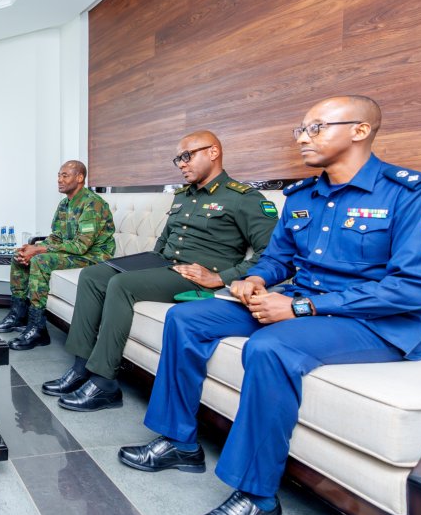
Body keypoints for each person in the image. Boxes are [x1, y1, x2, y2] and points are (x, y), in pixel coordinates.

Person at [118, 96, 421, 515]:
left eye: (316, 128)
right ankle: (179, 442)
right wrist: (255, 279)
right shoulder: (303, 196)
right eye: (301, 129)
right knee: (188, 318)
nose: (303, 137)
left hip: (376, 322)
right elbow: (278, 258)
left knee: (270, 348)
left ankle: (258, 499)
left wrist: (299, 309)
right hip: (300, 302)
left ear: (360, 131)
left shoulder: (412, 193)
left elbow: (411, 289)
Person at [44, 132, 277, 411]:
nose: (182, 164)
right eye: (178, 159)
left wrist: (220, 278)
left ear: (213, 152)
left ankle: (104, 383)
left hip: (196, 276)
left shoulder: (243, 198)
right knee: (93, 275)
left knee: (121, 284)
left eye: (187, 156)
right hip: (165, 264)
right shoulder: (183, 196)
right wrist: (146, 261)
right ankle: (81, 366)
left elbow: (271, 253)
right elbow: (165, 242)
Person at [0, 160, 115, 351]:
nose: (59, 180)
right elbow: (56, 237)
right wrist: (32, 248)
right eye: (59, 175)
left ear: (80, 178)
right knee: (19, 256)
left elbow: (81, 246)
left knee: (41, 260)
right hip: (75, 253)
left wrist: (38, 250)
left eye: (65, 175)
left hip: (94, 257)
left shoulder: (92, 204)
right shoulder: (64, 204)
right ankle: (19, 315)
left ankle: (38, 329)